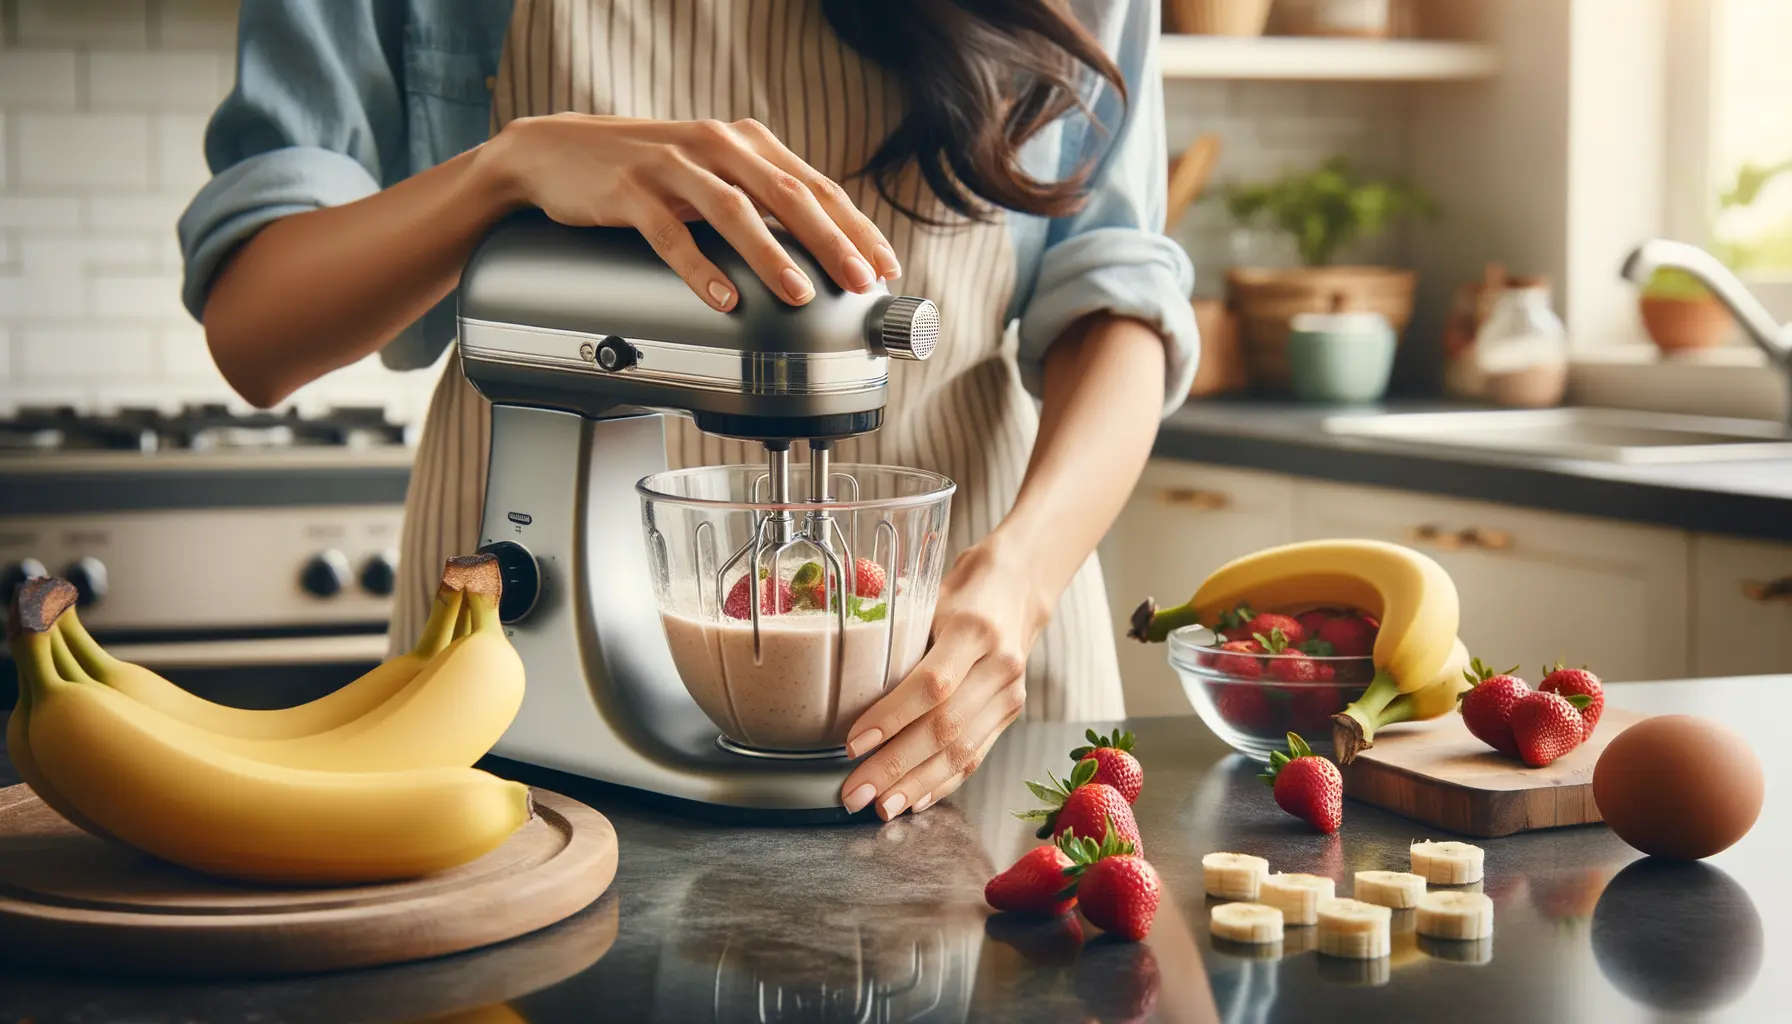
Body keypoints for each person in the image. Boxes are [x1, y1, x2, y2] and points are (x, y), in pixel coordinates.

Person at [179, 0, 1196, 821]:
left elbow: (1116, 293)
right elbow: (256, 330)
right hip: (511, 674)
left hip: (969, 671)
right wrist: (503, 171)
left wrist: (1023, 578)